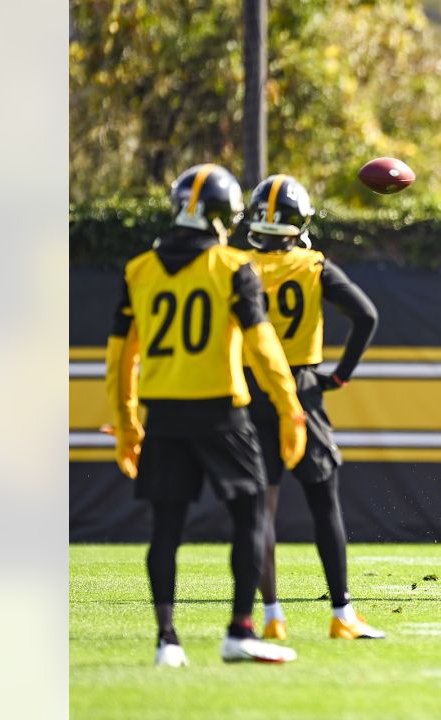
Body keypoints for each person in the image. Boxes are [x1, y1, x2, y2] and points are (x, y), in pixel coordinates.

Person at [104, 163, 307, 666]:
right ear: (223, 217)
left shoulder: (138, 271)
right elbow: (263, 347)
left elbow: (119, 358)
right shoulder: (235, 266)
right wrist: (290, 410)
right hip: (221, 411)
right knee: (252, 513)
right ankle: (240, 630)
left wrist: (128, 423)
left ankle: (166, 641)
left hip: (164, 413)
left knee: (165, 526)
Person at [241, 173, 384, 641]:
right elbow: (366, 315)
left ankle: (271, 616)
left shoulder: (236, 265)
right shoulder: (313, 265)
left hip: (251, 388)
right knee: (324, 504)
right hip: (302, 389)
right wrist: (340, 374)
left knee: (261, 508)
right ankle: (342, 614)